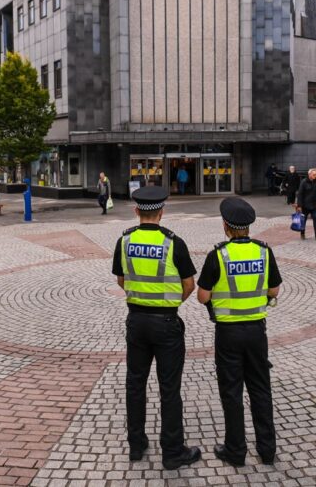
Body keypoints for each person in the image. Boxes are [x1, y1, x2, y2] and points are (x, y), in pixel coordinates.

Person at [111, 185, 202, 470]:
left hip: (136, 322)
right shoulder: (174, 243)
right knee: (169, 388)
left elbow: (121, 280)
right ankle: (173, 452)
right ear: (162, 212)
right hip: (166, 322)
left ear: (137, 211)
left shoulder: (124, 241)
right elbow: (190, 285)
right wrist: (171, 302)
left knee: (135, 384)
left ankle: (136, 445)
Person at [196, 197, 281, 467]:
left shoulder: (218, 255)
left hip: (228, 334)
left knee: (231, 391)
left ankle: (235, 450)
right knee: (260, 389)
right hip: (257, 331)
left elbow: (202, 296)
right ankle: (267, 450)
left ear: (226, 226)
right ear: (248, 227)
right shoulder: (264, 252)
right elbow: (274, 290)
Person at [296, 168, 316, 241]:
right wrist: (299, 205)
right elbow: (300, 194)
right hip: (305, 205)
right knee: (303, 220)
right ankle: (302, 234)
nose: (315, 176)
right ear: (309, 175)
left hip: (314, 205)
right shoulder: (304, 182)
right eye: (314, 175)